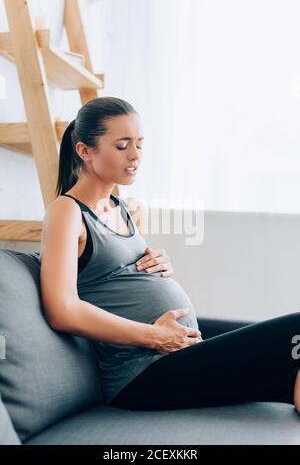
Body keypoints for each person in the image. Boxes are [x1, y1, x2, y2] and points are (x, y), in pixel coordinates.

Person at [39, 96, 300, 413]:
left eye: (139, 144)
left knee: (292, 376)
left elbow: (115, 275)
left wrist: (155, 266)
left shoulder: (125, 209)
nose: (135, 155)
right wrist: (154, 336)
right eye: (122, 146)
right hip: (141, 374)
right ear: (84, 151)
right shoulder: (67, 212)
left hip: (177, 353)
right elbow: (61, 309)